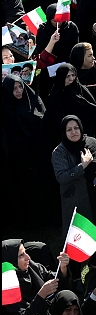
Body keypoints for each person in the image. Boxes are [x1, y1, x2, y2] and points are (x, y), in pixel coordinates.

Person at [51, 115, 96, 286]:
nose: (73, 132)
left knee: (95, 231)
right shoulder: (59, 152)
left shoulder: (91, 142)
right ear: (64, 132)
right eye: (69, 129)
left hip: (94, 198)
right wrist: (83, 166)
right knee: (75, 237)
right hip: (75, 203)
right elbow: (62, 177)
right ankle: (76, 275)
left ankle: (94, 263)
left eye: (76, 128)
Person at [1, 74, 52, 229]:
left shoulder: (32, 100)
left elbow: (42, 120)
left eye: (20, 86)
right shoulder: (6, 109)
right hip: (21, 156)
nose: (18, 91)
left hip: (39, 151)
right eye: (14, 88)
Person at [1, 239, 70, 315]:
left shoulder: (30, 266)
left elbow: (52, 278)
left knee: (67, 297)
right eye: (21, 255)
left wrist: (63, 268)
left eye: (25, 252)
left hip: (47, 313)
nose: (28, 257)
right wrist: (41, 295)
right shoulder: (7, 287)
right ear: (10, 260)